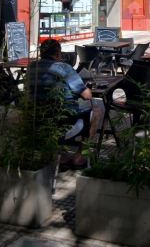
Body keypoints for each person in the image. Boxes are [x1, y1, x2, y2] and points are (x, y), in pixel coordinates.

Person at [26, 39, 104, 168]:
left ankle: (57, 153)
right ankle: (80, 156)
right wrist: (86, 88)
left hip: (37, 119)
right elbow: (86, 96)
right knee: (97, 109)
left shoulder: (31, 67)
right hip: (64, 121)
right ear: (58, 53)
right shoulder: (63, 67)